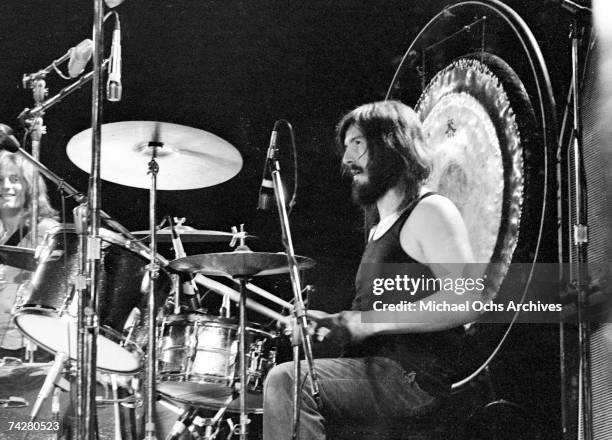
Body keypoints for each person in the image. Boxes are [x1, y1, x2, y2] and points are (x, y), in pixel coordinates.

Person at [263, 100, 490, 439]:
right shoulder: (378, 229)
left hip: (411, 377)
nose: (346, 159)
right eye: (346, 147)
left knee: (290, 381)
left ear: (390, 143)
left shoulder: (430, 211)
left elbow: (466, 300)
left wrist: (365, 323)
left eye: (357, 143)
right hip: (377, 371)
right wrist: (333, 323)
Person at [0, 150, 58, 359]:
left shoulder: (47, 232)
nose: (6, 186)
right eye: (0, 180)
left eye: (15, 179)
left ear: (29, 187)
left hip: (33, 351)